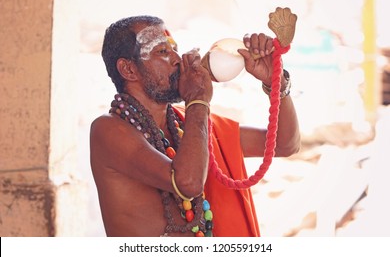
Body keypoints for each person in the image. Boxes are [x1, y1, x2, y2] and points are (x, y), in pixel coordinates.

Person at [90, 15, 300, 237]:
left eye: (174, 50)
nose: (177, 60)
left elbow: (285, 144)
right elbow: (188, 182)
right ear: (128, 70)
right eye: (162, 52)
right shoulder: (108, 129)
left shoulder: (185, 125)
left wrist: (275, 83)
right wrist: (197, 99)